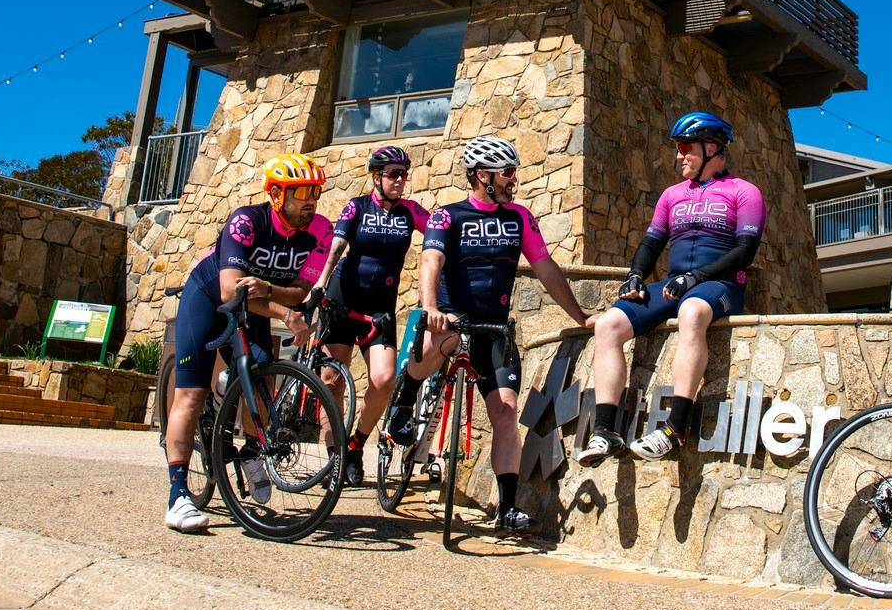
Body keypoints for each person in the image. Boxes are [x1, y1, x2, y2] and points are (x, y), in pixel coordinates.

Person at [384, 134, 594, 536]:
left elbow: (546, 269)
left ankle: (507, 507)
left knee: (506, 410)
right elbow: (431, 260)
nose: (514, 179)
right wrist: (430, 308)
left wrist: (581, 316)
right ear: (484, 176)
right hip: (450, 319)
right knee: (433, 349)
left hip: (493, 327)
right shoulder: (449, 217)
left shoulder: (519, 218)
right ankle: (404, 398)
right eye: (508, 172)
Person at [576, 111, 766, 464]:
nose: (678, 155)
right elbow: (652, 242)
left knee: (691, 312)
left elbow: (744, 251)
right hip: (674, 284)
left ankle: (675, 428)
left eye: (684, 147)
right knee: (608, 325)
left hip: (721, 285)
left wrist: (696, 278)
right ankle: (605, 432)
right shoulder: (672, 194)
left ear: (711, 148)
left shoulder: (744, 192)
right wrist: (635, 275)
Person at [162, 153, 332, 533]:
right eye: (301, 192)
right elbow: (228, 291)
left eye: (315, 192)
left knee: (260, 377)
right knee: (190, 395)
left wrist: (272, 291)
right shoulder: (246, 221)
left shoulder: (321, 230)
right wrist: (284, 312)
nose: (311, 201)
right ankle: (177, 495)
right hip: (209, 298)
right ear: (275, 195)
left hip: (255, 304)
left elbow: (301, 290)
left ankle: (252, 450)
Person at [304, 145, 427, 486]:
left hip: (378, 309)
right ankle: (335, 457)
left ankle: (355, 444)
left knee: (384, 379)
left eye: (404, 174)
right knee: (331, 381)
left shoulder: (409, 212)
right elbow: (337, 247)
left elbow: (439, 233)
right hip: (342, 300)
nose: (401, 181)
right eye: (393, 174)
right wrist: (320, 284)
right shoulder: (356, 207)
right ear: (376, 177)